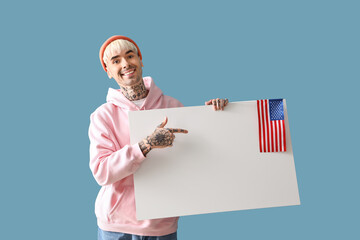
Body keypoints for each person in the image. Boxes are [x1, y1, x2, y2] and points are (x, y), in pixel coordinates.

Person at [89, 35, 229, 240]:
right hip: (117, 227)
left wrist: (213, 118)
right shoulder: (103, 115)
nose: (126, 64)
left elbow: (198, 160)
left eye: (130, 56)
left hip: (162, 225)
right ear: (107, 71)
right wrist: (145, 146)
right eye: (116, 60)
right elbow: (102, 172)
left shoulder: (173, 106)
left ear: (141, 59)